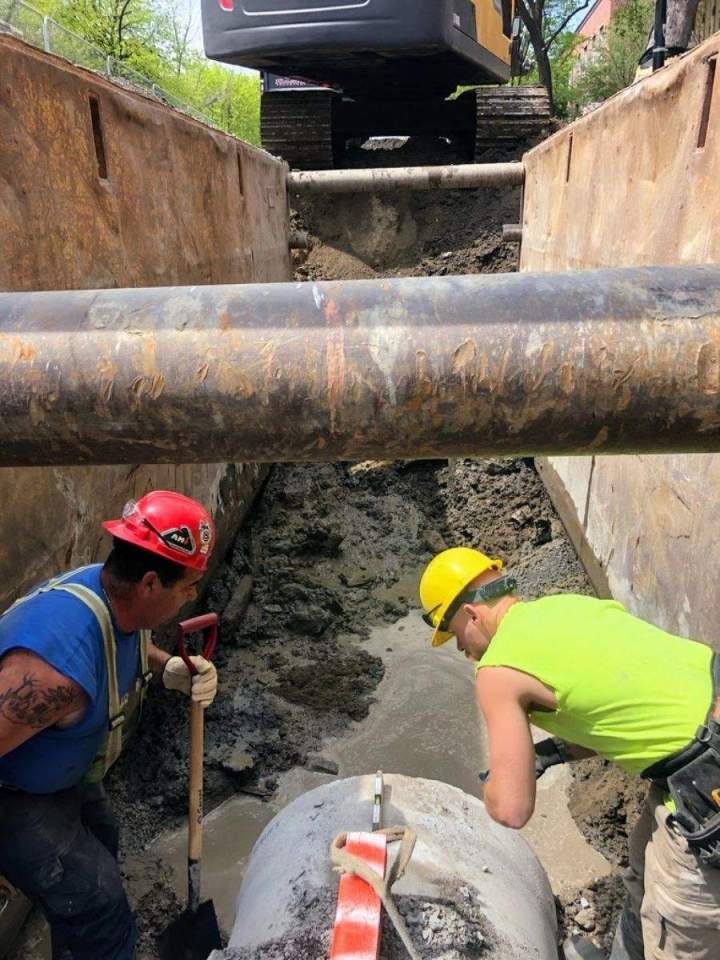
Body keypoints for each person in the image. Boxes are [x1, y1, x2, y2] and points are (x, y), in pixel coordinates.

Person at [419, 546, 720, 960]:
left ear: (472, 615)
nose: (463, 651)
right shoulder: (569, 606)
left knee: (681, 932)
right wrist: (550, 752)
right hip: (695, 750)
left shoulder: (498, 671)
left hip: (704, 783)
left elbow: (511, 809)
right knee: (644, 873)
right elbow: (617, 705)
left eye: (455, 636)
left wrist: (490, 791)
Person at [0, 490, 219, 960]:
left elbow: (123, 644)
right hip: (14, 795)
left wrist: (167, 669)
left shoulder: (113, 599)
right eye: (187, 588)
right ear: (150, 584)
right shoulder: (54, 672)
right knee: (101, 911)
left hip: (64, 772)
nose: (190, 599)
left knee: (105, 839)